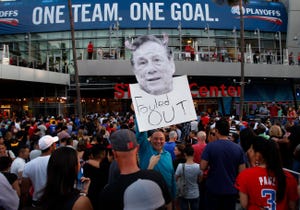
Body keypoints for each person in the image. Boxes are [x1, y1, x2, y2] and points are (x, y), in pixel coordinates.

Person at [98, 129, 172, 210]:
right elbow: (168, 205)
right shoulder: (157, 177)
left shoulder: (108, 193)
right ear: (137, 149)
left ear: (114, 154)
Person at [235, 136, 298, 210]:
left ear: (258, 155)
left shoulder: (245, 175)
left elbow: (244, 204)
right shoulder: (289, 177)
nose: (249, 151)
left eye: (251, 149)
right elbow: (292, 206)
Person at [200, 118, 246, 210]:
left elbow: (202, 166)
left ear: (216, 131)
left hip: (213, 189)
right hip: (231, 191)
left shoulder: (210, 146)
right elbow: (242, 172)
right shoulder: (238, 148)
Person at [21, 135, 59, 208]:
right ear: (51, 147)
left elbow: (24, 191)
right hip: (55, 202)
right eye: (54, 144)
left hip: (37, 202)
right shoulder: (58, 161)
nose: (55, 145)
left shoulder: (28, 165)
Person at [175, 145, 202, 210]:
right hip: (195, 193)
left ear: (185, 154)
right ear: (194, 154)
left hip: (183, 193)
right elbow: (200, 180)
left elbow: (175, 178)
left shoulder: (180, 166)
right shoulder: (198, 167)